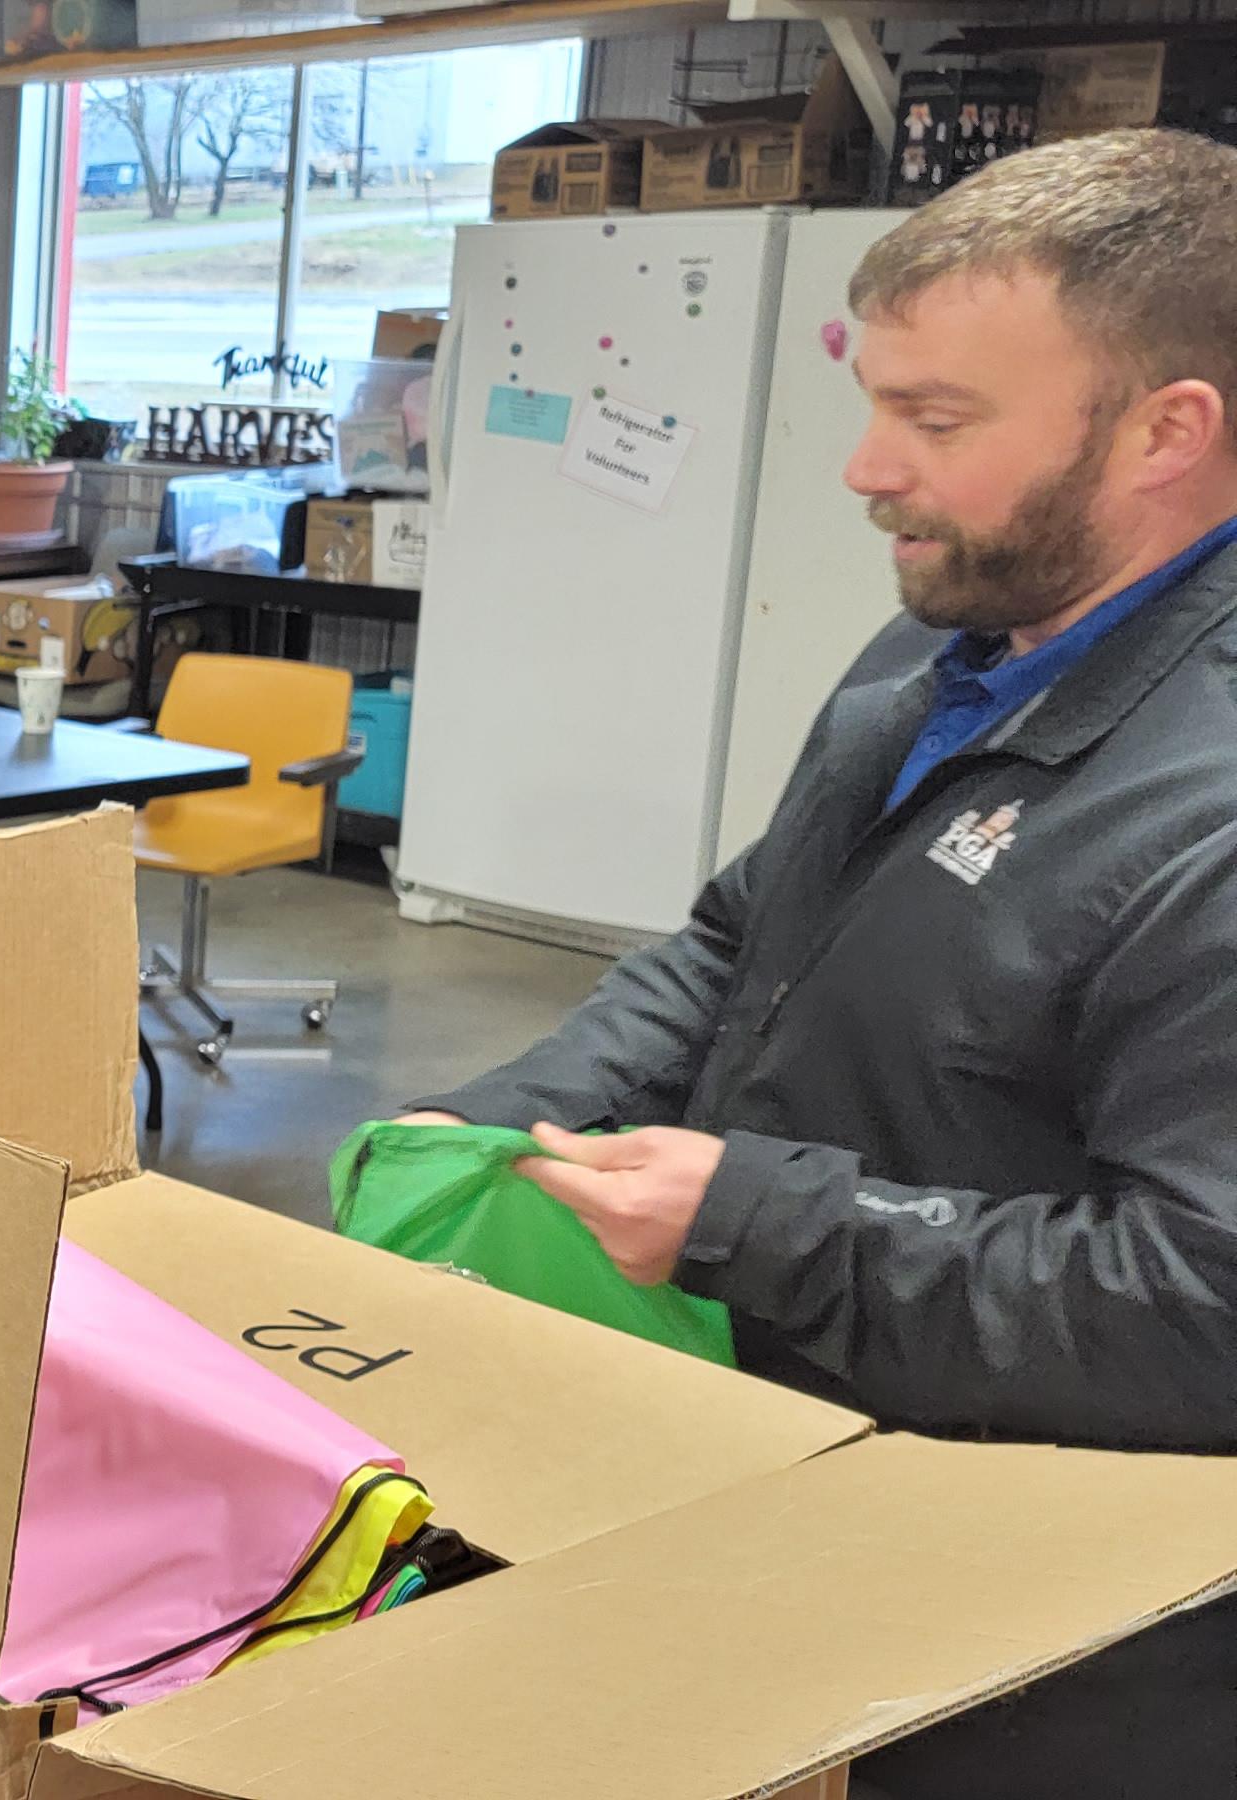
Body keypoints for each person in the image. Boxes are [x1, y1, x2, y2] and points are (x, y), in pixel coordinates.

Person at [399, 129, 1237, 1795]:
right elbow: (739, 937)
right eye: (876, 401)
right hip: (783, 1503)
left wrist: (750, 1217)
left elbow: (1205, 1307)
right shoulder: (953, 638)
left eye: (935, 423)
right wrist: (504, 1129)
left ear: (1169, 429)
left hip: (1037, 1663)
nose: (864, 469)